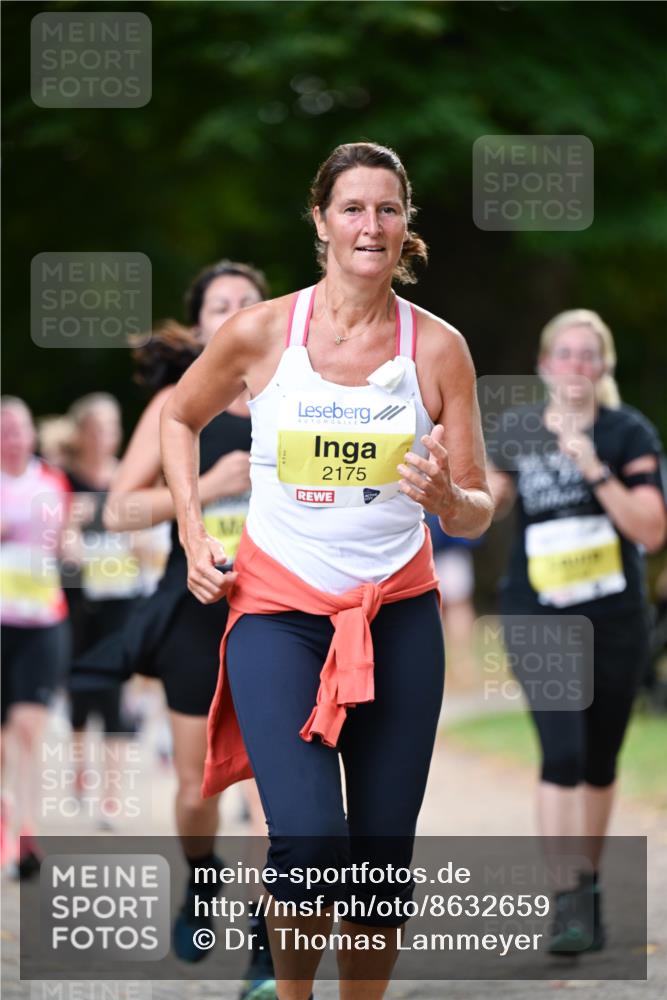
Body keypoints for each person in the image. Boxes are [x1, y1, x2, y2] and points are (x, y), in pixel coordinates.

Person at [161, 142, 493, 1000]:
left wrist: (450, 502)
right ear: (320, 220)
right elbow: (176, 416)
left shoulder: (438, 348)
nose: (370, 225)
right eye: (352, 208)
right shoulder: (263, 333)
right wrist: (196, 537)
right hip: (278, 615)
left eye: (387, 209)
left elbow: (480, 500)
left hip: (398, 618)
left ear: (405, 224)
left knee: (381, 855)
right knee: (308, 842)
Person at [99, 263, 276, 998]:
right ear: (200, 327)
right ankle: (202, 876)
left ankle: (269, 945)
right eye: (219, 305)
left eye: (248, 303)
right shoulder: (179, 404)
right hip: (195, 609)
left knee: (278, 790)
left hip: (281, 610)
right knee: (198, 784)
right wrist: (206, 488)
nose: (234, 313)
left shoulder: (296, 399)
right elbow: (118, 511)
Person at [487, 309, 666, 953]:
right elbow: (488, 504)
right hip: (537, 613)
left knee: (598, 758)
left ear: (605, 367)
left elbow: (650, 528)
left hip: (614, 619)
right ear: (544, 366)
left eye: (589, 355)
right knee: (561, 752)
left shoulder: (627, 433)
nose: (577, 367)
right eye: (564, 354)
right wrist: (465, 489)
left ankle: (586, 886)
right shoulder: (516, 430)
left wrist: (588, 460)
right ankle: (564, 897)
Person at [61, 393, 141, 828]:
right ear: (81, 433)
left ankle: (112, 795)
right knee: (79, 690)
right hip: (76, 598)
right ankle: (78, 773)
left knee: (114, 692)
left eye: (111, 428)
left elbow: (147, 537)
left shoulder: (130, 476)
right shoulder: (63, 478)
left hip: (121, 600)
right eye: (95, 428)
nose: (104, 437)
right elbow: (57, 531)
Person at [0, 397, 71, 876]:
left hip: (43, 621)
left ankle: (25, 832)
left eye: (20, 429)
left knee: (28, 732)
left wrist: (75, 549)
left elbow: (68, 546)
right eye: (5, 431)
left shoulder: (52, 482)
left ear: (32, 434)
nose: (13, 438)